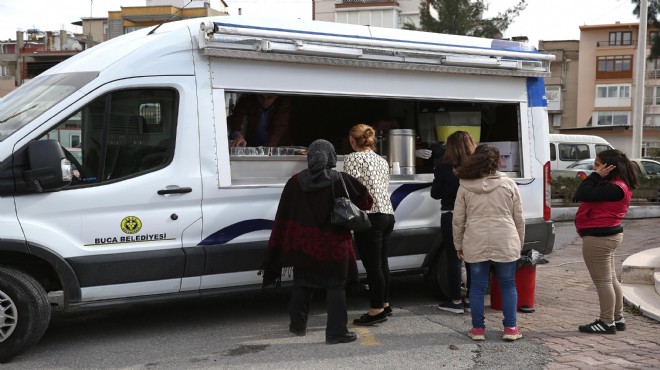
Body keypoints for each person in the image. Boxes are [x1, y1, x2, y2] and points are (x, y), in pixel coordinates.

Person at [261, 139, 373, 344]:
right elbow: (367, 201)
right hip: (334, 245)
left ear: (310, 157)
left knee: (302, 283)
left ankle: (297, 325)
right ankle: (336, 333)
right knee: (335, 287)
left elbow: (284, 213)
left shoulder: (294, 181)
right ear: (331, 157)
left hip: (304, 244)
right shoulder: (340, 179)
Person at [453, 144, 525, 341]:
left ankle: (478, 330)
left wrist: (458, 243)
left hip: (475, 238)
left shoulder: (465, 185)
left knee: (476, 286)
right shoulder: (509, 184)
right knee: (508, 284)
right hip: (505, 237)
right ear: (498, 161)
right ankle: (510, 328)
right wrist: (518, 242)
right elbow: (519, 217)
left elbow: (458, 219)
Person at [574, 149, 638, 334]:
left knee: (603, 281)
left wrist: (594, 176)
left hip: (599, 239)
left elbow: (582, 193)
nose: (594, 168)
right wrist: (597, 175)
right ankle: (617, 318)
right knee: (609, 279)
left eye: (597, 164)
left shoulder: (613, 187)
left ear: (609, 167)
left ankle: (606, 321)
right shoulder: (617, 185)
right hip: (608, 235)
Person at [343, 124, 396, 326]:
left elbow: (350, 188)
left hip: (369, 216)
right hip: (387, 213)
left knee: (373, 266)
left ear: (351, 140)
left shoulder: (352, 159)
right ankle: (385, 302)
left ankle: (376, 311)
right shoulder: (381, 160)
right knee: (382, 263)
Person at [431, 131, 476, 314]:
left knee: (453, 257)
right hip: (473, 216)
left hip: (450, 215)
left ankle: (456, 301)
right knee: (473, 257)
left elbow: (435, 194)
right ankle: (471, 299)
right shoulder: (476, 168)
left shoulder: (443, 168)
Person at [227, 94, 292, 147]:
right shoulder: (248, 100)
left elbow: (279, 128)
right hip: (252, 147)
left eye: (269, 97)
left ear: (276, 96)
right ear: (256, 95)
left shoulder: (283, 105)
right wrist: (237, 135)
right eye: (261, 97)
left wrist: (268, 151)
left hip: (276, 148)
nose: (264, 102)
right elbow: (237, 116)